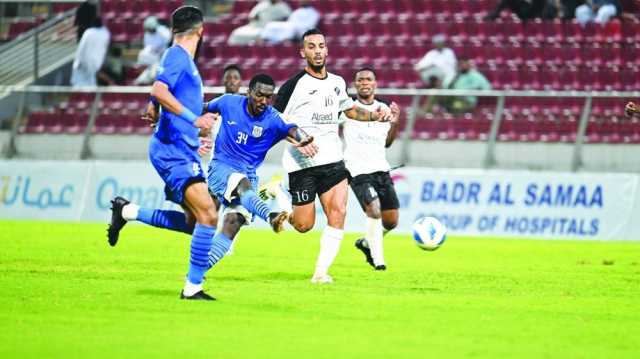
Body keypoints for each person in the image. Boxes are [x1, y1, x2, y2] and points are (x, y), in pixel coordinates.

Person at [107, 6, 219, 301]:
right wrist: (195, 120)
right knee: (209, 214)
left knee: (195, 222)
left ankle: (127, 211)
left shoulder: (179, 59)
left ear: (173, 30)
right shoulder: (178, 55)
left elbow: (161, 92)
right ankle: (192, 287)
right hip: (173, 151)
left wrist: (157, 108)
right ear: (201, 30)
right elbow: (159, 89)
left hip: (183, 148)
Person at [264, 29, 392, 284]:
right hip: (302, 165)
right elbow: (272, 122)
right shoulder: (293, 86)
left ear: (327, 49)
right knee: (303, 225)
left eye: (321, 45)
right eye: (311, 47)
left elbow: (350, 110)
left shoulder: (337, 83)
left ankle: (320, 273)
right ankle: (278, 193)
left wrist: (374, 115)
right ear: (303, 53)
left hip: (333, 161)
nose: (318, 50)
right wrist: (296, 140)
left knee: (338, 212)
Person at [201, 74, 316, 279]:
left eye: (268, 97)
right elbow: (202, 108)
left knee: (232, 225)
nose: (263, 101)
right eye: (259, 95)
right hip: (221, 168)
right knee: (239, 186)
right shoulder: (228, 102)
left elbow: (292, 128)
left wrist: (303, 139)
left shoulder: (272, 118)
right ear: (249, 92)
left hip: (249, 175)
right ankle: (270, 216)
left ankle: (196, 275)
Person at [341, 68, 401, 271]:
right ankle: (379, 261)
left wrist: (395, 122)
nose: (364, 82)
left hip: (381, 170)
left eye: (369, 79)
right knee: (374, 211)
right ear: (355, 84)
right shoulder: (348, 108)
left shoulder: (384, 108)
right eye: (360, 80)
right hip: (357, 171)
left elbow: (387, 143)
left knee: (391, 221)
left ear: (375, 83)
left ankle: (366, 243)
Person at [227, 0, 291, 45]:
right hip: (255, 26)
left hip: (271, 29)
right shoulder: (262, 5)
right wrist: (256, 17)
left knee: (261, 35)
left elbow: (288, 19)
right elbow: (251, 16)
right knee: (236, 33)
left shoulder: (283, 6)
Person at [71, 17, 110, 87]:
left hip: (87, 64)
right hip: (90, 64)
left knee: (83, 86)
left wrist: (79, 60)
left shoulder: (89, 32)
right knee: (87, 85)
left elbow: (81, 48)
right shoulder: (105, 33)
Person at [134, 16, 172, 85]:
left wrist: (158, 50)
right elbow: (147, 47)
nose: (150, 30)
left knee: (154, 72)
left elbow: (168, 42)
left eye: (151, 29)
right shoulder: (147, 34)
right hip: (153, 57)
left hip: (164, 55)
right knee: (144, 56)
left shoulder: (162, 30)